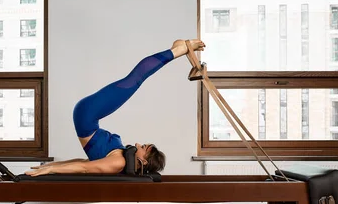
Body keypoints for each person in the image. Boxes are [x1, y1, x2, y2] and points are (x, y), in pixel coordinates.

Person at [25, 38, 206, 177]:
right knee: (134, 80)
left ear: (143, 160)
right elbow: (83, 161)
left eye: (144, 147)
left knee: (135, 79)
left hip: (87, 115)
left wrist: (49, 171)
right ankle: (175, 50)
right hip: (88, 116)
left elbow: (84, 168)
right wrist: (52, 166)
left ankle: (177, 50)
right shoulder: (121, 158)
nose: (140, 144)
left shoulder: (118, 163)